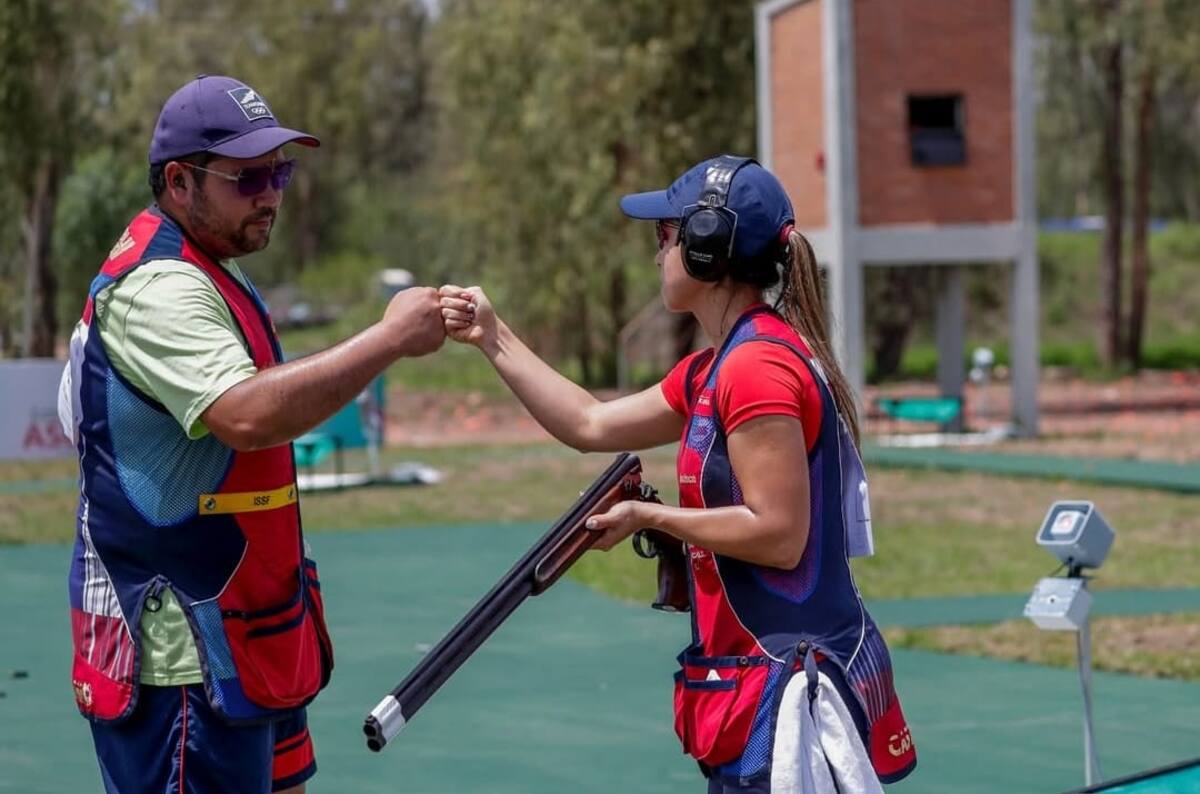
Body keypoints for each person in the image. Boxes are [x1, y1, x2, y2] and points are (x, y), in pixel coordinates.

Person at [438, 156, 917, 792]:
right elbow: (589, 424)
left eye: (664, 236)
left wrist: (651, 516)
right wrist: (492, 338)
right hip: (759, 686)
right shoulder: (720, 366)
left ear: (705, 249)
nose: (657, 252)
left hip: (784, 696)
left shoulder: (754, 369)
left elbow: (778, 534)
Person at [57, 75, 444, 793]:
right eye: (248, 177)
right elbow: (247, 415)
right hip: (180, 657)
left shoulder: (210, 266)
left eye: (281, 171)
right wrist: (388, 339)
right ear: (179, 181)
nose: (271, 192)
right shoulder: (162, 287)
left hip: (242, 638)